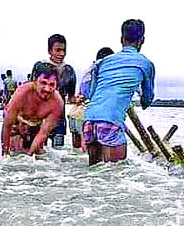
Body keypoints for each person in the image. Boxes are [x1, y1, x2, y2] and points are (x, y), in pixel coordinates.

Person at [83, 19, 155, 166]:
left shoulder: (103, 62)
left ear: (121, 39)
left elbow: (92, 94)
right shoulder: (145, 64)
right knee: (115, 177)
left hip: (89, 120)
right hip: (110, 121)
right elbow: (147, 99)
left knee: (91, 176)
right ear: (142, 40)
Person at [1, 63, 63, 156]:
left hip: (36, 125)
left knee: (39, 154)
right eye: (43, 83)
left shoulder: (58, 103)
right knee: (16, 152)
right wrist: (5, 153)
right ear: (35, 82)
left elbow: (43, 133)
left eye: (52, 85)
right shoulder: (22, 93)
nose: (47, 89)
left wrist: (30, 156)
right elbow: (7, 125)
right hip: (16, 121)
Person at [31, 34, 76, 149]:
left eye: (64, 50)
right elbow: (31, 90)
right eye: (58, 50)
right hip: (40, 119)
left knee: (58, 155)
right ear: (49, 50)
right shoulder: (40, 67)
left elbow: (71, 97)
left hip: (59, 120)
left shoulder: (69, 71)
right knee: (40, 155)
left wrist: (81, 99)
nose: (61, 54)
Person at [69, 46, 114, 151]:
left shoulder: (89, 70)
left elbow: (82, 94)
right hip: (85, 115)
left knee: (75, 152)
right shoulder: (102, 73)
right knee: (87, 150)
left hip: (74, 113)